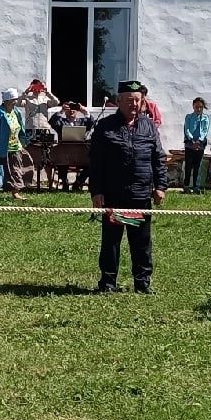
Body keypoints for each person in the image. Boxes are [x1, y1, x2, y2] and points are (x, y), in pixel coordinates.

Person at [89, 80, 166, 294]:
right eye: (129, 100)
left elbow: (158, 158)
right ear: (119, 101)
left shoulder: (148, 126)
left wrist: (160, 186)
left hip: (140, 196)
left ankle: (142, 283)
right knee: (111, 242)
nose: (134, 104)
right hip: (114, 195)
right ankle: (108, 283)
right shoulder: (105, 126)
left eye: (138, 100)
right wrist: (96, 191)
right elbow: (95, 162)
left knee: (141, 242)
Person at [0, 88, 29, 200]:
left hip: (15, 147)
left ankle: (15, 192)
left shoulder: (16, 112)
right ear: (7, 100)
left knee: (16, 170)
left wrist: (23, 141)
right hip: (0, 149)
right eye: (14, 100)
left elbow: (20, 128)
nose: (16, 102)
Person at [182, 97, 211, 193]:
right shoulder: (189, 117)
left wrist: (199, 141)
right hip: (190, 144)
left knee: (198, 166)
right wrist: (192, 140)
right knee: (188, 165)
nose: (198, 109)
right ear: (193, 106)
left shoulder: (205, 118)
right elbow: (187, 130)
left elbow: (205, 130)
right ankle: (186, 185)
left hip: (200, 144)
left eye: (201, 107)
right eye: (197, 107)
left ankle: (196, 186)